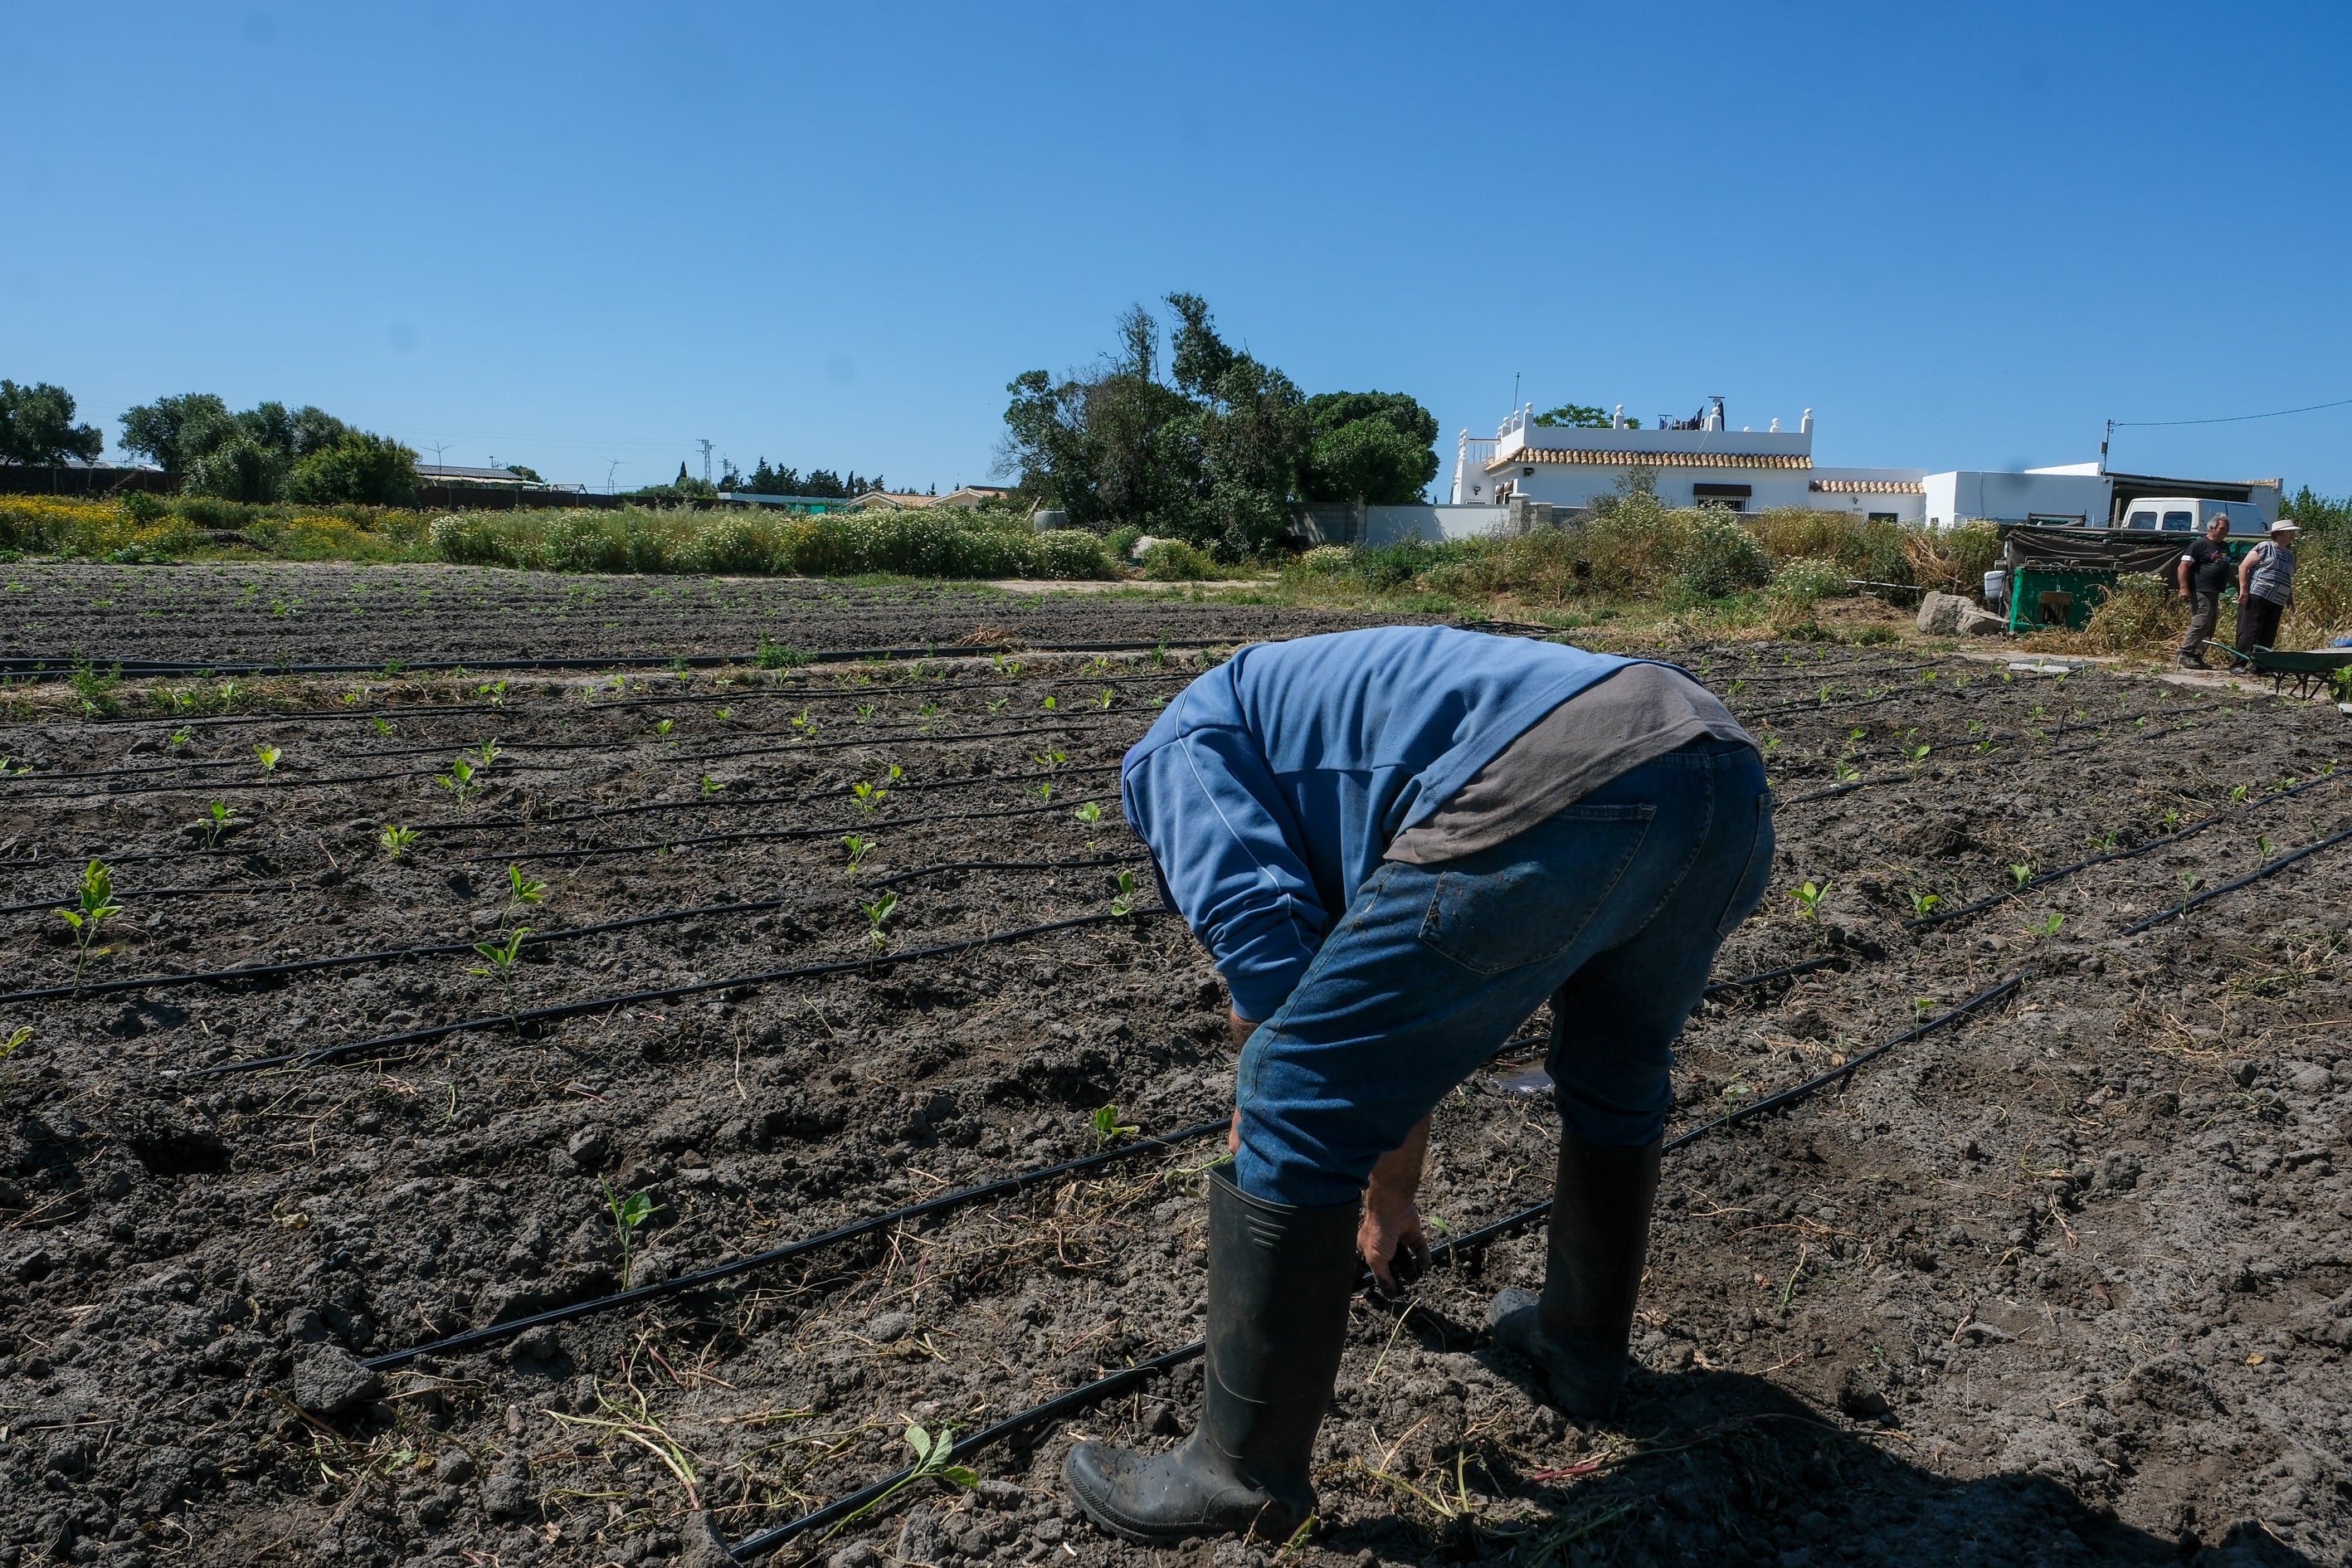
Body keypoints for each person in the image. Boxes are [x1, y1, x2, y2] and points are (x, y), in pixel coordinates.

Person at [1064, 626, 1773, 1543]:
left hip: (1562, 783)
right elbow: (1397, 1022)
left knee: (1287, 1086)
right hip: (1716, 765)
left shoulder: (1174, 752)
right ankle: (1581, 1351)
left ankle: (1239, 1476)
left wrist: (1274, 1111)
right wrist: (1388, 1195)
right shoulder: (1300, 714)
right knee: (1617, 1068)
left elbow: (1274, 968)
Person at [2235, 519, 2301, 655]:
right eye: (2290, 531)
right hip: (2258, 594)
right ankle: (2239, 663)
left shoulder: (2289, 555)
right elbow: (2244, 566)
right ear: (2279, 533)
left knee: (2268, 633)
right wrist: (2243, 588)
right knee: (2250, 630)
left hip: (2277, 600)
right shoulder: (2265, 547)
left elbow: (2286, 578)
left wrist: (2290, 600)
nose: (2293, 534)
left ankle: (2260, 665)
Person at [2176, 514, 2233, 668]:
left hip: (2215, 591)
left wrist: (2241, 588)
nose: (2226, 531)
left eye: (2227, 529)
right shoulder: (2199, 545)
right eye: (2222, 528)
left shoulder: (2224, 547)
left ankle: (2197, 655)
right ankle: (2185, 652)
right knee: (2202, 619)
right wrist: (2184, 588)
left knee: (2211, 624)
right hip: (2200, 589)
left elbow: (2226, 570)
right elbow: (2183, 566)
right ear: (2212, 528)